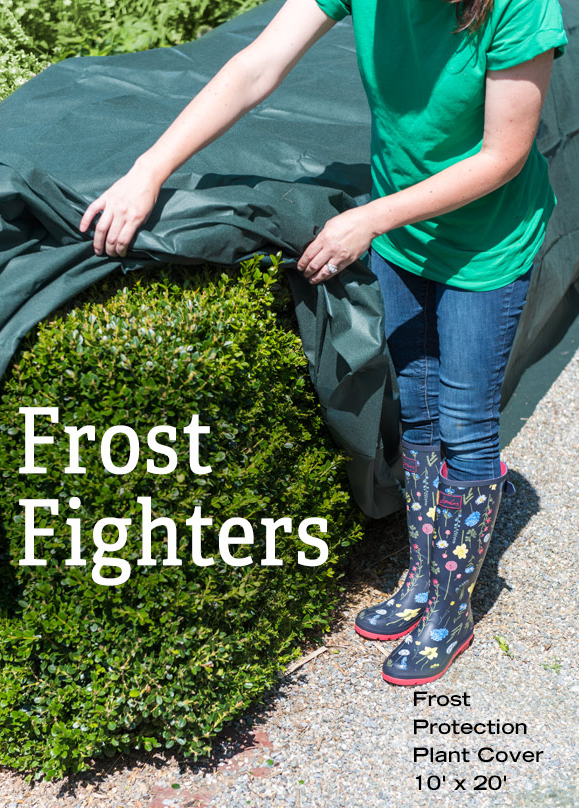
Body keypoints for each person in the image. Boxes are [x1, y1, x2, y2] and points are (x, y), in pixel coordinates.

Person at [79, 0, 567, 685]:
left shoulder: (519, 5)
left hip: (486, 248)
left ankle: (452, 609)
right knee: (420, 412)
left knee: (464, 424)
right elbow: (258, 64)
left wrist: (367, 218)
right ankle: (427, 578)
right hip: (404, 234)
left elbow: (503, 155)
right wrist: (149, 169)